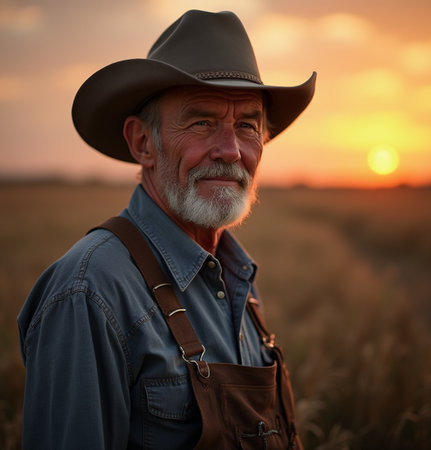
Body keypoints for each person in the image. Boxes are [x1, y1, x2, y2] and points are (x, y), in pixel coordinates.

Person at [18, 9, 316, 450]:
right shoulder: (89, 291)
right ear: (143, 143)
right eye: (202, 122)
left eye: (247, 125)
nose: (231, 151)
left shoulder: (237, 281)